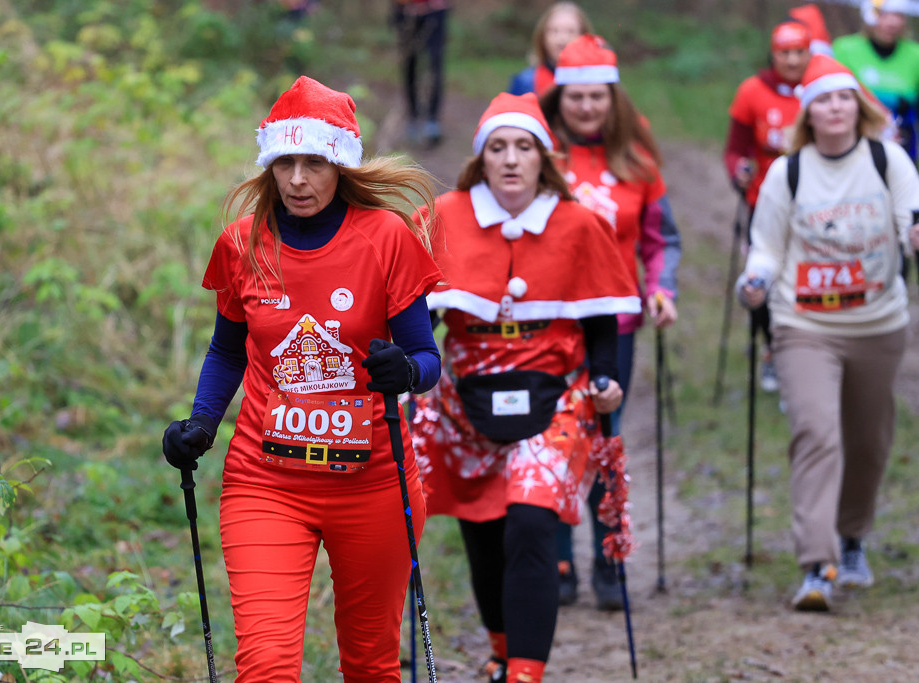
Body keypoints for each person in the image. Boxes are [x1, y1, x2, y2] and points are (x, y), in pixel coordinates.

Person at [161, 75, 445, 681]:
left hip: (372, 483)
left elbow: (427, 359)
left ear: (340, 163)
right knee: (264, 665)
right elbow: (227, 351)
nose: (297, 180)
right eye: (284, 163)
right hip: (265, 482)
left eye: (313, 162)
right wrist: (202, 424)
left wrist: (405, 371)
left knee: (370, 666)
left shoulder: (385, 239)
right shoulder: (242, 246)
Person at [410, 92, 640, 683]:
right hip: (466, 401)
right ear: (481, 158)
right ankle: (501, 648)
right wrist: (412, 367)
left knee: (533, 523)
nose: (511, 160)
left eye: (524, 147)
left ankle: (525, 673)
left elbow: (599, 315)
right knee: (484, 530)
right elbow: (420, 313)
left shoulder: (580, 222)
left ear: (544, 158)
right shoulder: (445, 216)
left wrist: (607, 378)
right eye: (498, 148)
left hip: (556, 399)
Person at [736, 54, 919, 612]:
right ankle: (817, 564)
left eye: (843, 97)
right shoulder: (788, 171)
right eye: (823, 99)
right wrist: (754, 280)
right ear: (808, 111)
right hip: (804, 326)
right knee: (817, 432)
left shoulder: (886, 159)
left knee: (869, 443)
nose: (834, 107)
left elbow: (918, 217)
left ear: (859, 106)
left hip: (878, 324)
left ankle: (852, 539)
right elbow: (767, 246)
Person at [537, 34, 681, 610]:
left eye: (598, 96)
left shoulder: (637, 159)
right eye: (576, 97)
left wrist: (662, 288)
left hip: (614, 325)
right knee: (548, 439)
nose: (587, 107)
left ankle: (608, 560)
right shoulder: (537, 155)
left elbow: (660, 238)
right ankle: (558, 559)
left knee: (602, 438)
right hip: (544, 322)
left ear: (613, 98)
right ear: (559, 98)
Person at [724, 19, 814, 393]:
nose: (792, 60)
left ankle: (811, 351)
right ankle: (772, 348)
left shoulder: (819, 90)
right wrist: (738, 171)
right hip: (763, 202)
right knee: (762, 278)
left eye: (799, 52)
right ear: (773, 54)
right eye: (784, 53)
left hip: (814, 205)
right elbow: (734, 150)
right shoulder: (752, 91)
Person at [833, 0, 919, 200]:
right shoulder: (844, 50)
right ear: (869, 15)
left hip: (902, 158)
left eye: (898, 15)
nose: (892, 22)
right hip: (852, 157)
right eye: (884, 14)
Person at [392, 0, 451, 148]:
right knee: (409, 67)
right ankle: (413, 117)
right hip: (406, 12)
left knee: (435, 66)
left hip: (435, 12)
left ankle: (432, 120)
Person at [507, 2, 593, 97]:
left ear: (584, 36)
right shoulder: (526, 82)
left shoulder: (598, 80)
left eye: (571, 31)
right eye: (554, 31)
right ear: (542, 36)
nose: (562, 38)